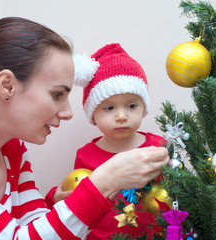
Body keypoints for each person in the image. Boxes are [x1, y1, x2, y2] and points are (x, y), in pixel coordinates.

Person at [0, 17, 169, 239]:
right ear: (7, 85)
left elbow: (34, 223)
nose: (68, 112)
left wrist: (64, 204)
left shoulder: (12, 148)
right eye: (57, 94)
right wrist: (105, 181)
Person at [45, 43, 167, 239]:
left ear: (144, 108)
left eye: (132, 105)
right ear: (93, 114)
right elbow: (76, 198)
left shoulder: (158, 147)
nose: (121, 116)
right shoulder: (86, 155)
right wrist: (55, 197)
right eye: (109, 108)